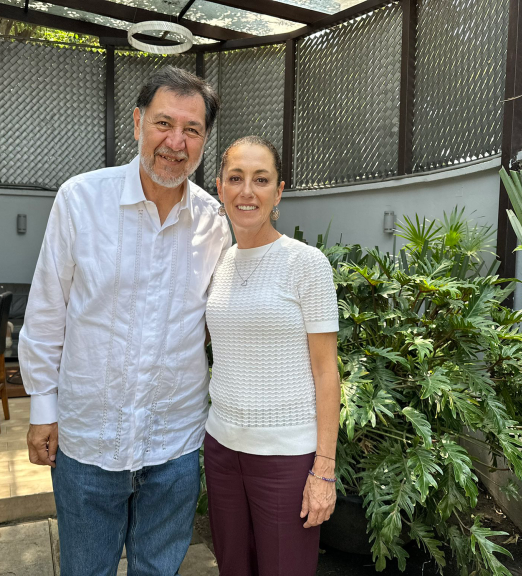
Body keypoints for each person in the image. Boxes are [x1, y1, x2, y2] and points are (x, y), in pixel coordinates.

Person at [19, 66, 230, 576]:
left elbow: (217, 325)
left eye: (192, 130)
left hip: (174, 443)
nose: (175, 143)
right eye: (163, 123)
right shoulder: (80, 200)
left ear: (204, 140)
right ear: (137, 123)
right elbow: (48, 311)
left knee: (159, 570)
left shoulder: (214, 222)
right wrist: (42, 407)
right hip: (89, 436)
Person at [204, 136, 340, 576]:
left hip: (287, 459)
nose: (247, 191)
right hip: (223, 451)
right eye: (236, 178)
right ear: (220, 188)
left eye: (261, 180)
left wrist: (323, 471)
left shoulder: (306, 263)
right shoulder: (217, 264)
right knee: (232, 569)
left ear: (278, 191)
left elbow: (326, 373)